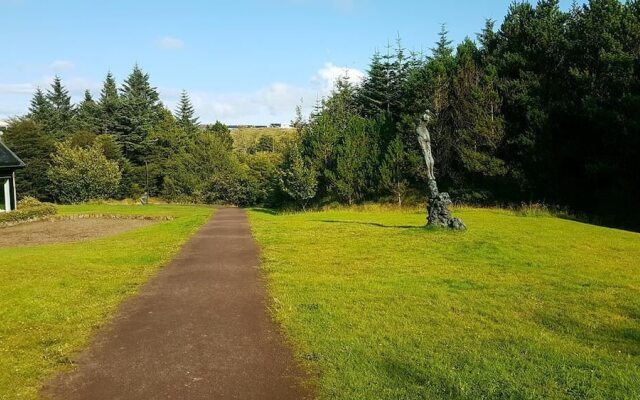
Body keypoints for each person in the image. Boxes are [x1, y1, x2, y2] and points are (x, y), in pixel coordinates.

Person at [417, 110, 436, 181]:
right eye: (426, 121)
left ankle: (431, 173)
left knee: (431, 159)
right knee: (426, 156)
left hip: (426, 137)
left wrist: (427, 138)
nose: (427, 122)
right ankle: (429, 173)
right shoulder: (420, 126)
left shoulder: (425, 128)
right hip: (422, 137)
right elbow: (418, 130)